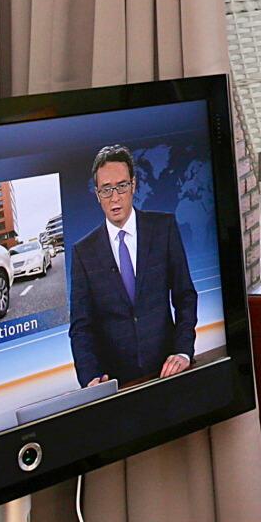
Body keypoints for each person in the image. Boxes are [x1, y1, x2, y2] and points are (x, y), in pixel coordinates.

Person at [64, 144, 196, 389]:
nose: (115, 197)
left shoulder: (163, 228)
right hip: (117, 385)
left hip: (169, 372)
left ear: (133, 185)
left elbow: (185, 296)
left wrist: (183, 351)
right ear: (97, 194)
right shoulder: (83, 252)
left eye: (122, 186)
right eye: (106, 189)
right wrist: (90, 378)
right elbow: (81, 327)